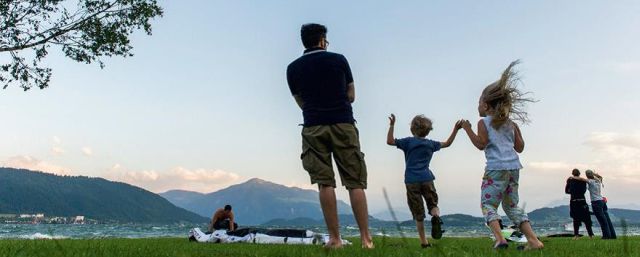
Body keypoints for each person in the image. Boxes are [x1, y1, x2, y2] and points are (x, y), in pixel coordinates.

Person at [286, 23, 373, 249]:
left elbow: (300, 102)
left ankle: (334, 239)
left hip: (313, 126)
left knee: (325, 184)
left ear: (304, 41)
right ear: (323, 40)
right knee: (355, 182)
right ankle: (366, 239)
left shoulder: (292, 68)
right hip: (343, 123)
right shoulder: (339, 60)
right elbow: (351, 95)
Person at [460, 60, 544, 250]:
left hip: (495, 169)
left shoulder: (484, 123)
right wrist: (516, 129)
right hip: (514, 168)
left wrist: (467, 129)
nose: (478, 106)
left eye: (479, 102)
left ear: (488, 106)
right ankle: (533, 240)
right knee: (511, 207)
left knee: (488, 205)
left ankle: (500, 239)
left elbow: (481, 144)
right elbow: (520, 147)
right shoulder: (511, 124)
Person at [386, 114, 462, 248]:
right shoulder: (431, 144)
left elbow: (390, 141)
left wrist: (392, 125)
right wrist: (456, 129)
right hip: (427, 179)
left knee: (418, 213)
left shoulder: (408, 142)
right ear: (428, 130)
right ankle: (436, 217)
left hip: (411, 180)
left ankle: (424, 243)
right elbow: (448, 143)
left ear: (413, 129)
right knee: (433, 204)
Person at [570, 170, 617, 239]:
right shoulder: (598, 180)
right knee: (607, 219)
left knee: (602, 220)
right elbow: (597, 177)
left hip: (596, 202)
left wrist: (572, 177)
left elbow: (581, 179)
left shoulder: (590, 181)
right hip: (602, 201)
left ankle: (606, 236)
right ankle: (613, 235)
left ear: (587, 175)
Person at [565, 168, 594, 239]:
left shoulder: (570, 180)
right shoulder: (583, 181)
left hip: (574, 201)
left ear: (573, 173)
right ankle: (591, 235)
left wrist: (572, 192)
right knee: (587, 218)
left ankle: (576, 235)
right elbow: (584, 190)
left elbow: (566, 191)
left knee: (576, 219)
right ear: (579, 173)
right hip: (582, 200)